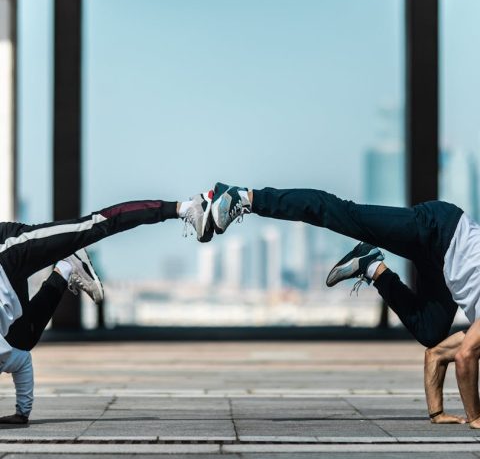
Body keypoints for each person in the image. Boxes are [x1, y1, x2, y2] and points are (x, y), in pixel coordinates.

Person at [210, 182, 480, 427]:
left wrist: (437, 414)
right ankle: (245, 198)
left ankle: (371, 265)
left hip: (441, 264)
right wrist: (476, 418)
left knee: (431, 332)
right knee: (340, 213)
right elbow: (465, 357)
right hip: (440, 226)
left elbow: (439, 353)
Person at [0, 192, 213, 424]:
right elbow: (21, 360)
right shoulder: (5, 356)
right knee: (23, 339)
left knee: (94, 225)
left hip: (7, 250)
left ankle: (184, 208)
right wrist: (22, 412)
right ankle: (67, 266)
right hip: (7, 284)